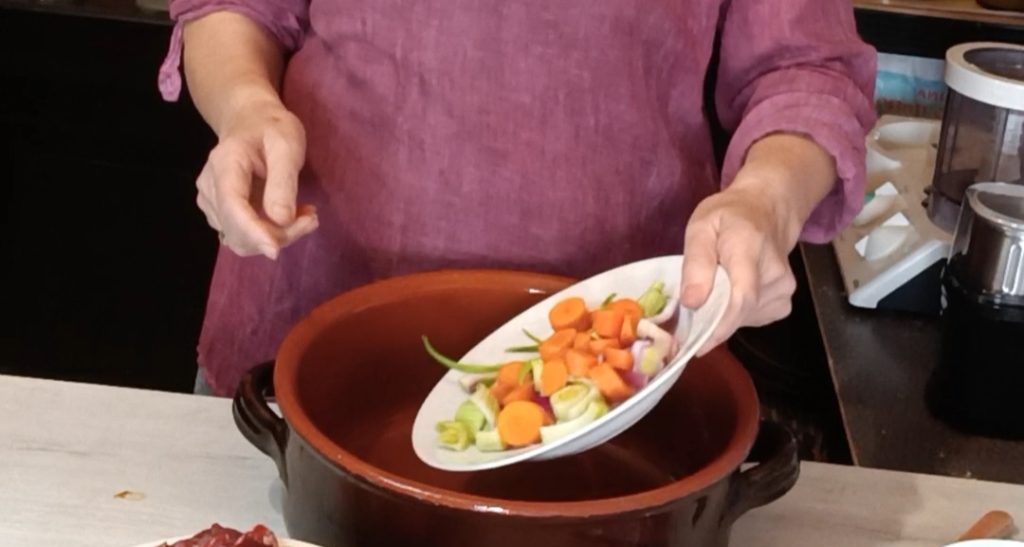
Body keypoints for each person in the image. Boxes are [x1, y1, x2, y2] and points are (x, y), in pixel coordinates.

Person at [159, 1, 876, 397]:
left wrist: (766, 196)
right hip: (309, 323)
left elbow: (805, 69)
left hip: (610, 363)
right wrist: (247, 107)